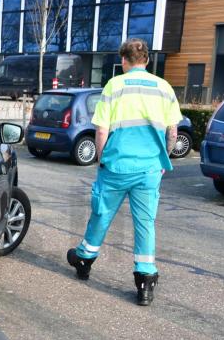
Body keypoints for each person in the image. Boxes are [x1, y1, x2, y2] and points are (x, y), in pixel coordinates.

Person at [67, 38, 182, 306]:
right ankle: (145, 282)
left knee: (102, 214)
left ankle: (84, 260)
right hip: (150, 168)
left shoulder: (114, 86)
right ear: (147, 61)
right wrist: (162, 161)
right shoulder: (164, 88)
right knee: (145, 224)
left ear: (124, 61)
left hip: (116, 166)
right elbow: (173, 133)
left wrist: (101, 159)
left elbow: (101, 130)